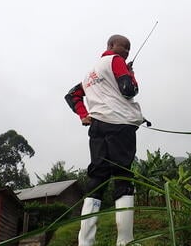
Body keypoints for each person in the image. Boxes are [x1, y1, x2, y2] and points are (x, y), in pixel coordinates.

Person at [65, 34, 145, 246]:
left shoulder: (90, 74)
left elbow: (72, 95)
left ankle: (85, 242)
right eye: (124, 46)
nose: (127, 51)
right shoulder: (116, 61)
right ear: (111, 45)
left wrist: (84, 115)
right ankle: (125, 241)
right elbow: (129, 90)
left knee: (97, 178)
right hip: (119, 126)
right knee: (123, 177)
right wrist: (130, 74)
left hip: (98, 127)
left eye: (129, 48)